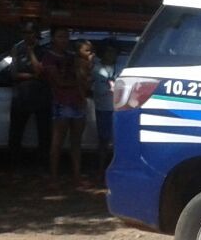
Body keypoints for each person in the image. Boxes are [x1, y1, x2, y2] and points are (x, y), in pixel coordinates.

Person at [31, 26, 88, 184]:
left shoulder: (72, 56)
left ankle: (77, 175)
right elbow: (60, 82)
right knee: (57, 143)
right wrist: (79, 82)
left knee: (76, 142)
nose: (64, 40)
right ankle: (54, 177)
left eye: (66, 37)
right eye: (60, 37)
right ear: (53, 38)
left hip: (77, 102)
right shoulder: (49, 58)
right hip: (61, 103)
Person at [8, 23, 51, 166]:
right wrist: (32, 76)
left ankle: (43, 164)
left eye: (30, 32)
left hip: (41, 96)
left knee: (44, 134)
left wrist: (31, 52)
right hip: (21, 96)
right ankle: (14, 163)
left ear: (37, 33)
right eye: (24, 32)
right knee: (15, 132)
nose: (27, 35)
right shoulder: (16, 48)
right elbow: (14, 74)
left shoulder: (44, 50)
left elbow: (40, 72)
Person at [91, 39, 118, 174]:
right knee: (103, 141)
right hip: (104, 109)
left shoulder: (122, 66)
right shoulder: (97, 69)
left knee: (118, 141)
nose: (112, 54)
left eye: (114, 51)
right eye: (109, 51)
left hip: (119, 110)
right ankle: (101, 170)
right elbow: (101, 91)